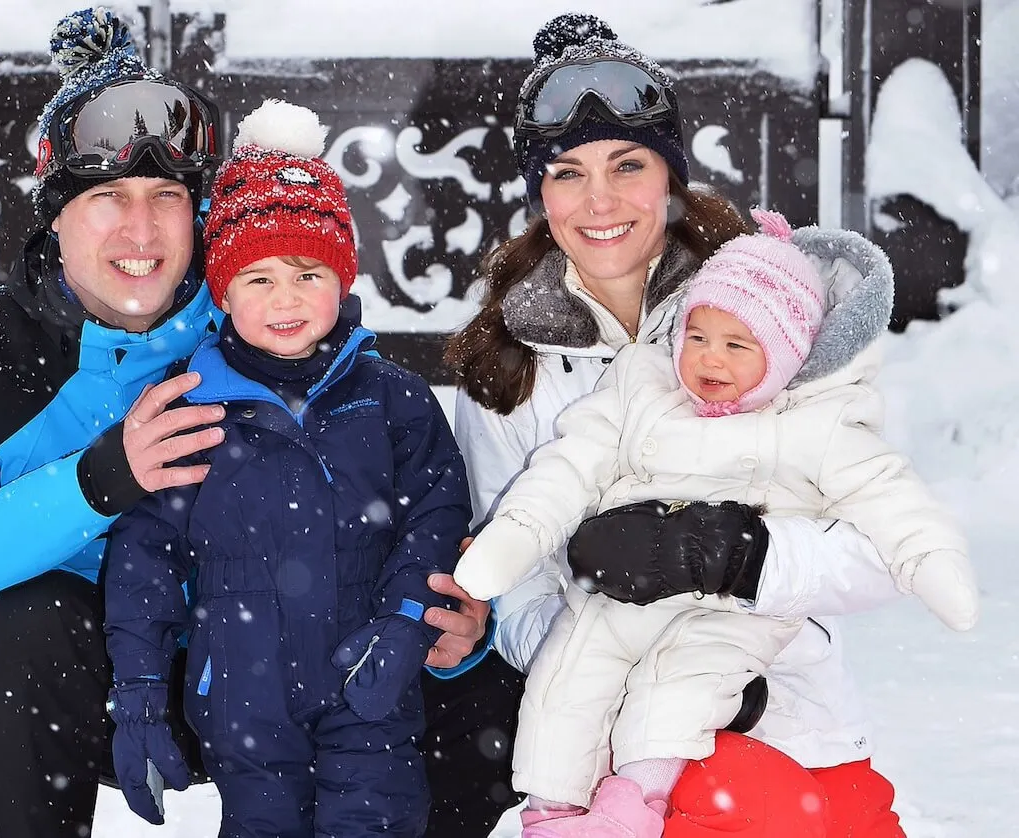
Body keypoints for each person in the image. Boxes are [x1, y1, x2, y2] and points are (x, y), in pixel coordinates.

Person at [0, 9, 492, 838]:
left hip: (305, 664)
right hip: (114, 682)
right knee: (18, 634)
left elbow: (403, 497)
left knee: (488, 683)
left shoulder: (259, 312)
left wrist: (461, 628)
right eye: (106, 197)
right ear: (55, 213)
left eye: (167, 198)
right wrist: (91, 484)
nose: (141, 230)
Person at [444, 12, 926, 837]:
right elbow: (516, 589)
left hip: (790, 710)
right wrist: (620, 643)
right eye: (567, 173)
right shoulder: (509, 368)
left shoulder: (772, 312)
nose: (599, 201)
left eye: (628, 165)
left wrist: (734, 557)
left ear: (669, 177)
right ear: (540, 195)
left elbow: (883, 548)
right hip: (618, 739)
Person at [454, 207, 978, 836]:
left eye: (736, 345)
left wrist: (739, 554)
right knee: (567, 680)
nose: (710, 359)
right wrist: (521, 542)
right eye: (698, 338)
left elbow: (888, 506)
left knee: (682, 694)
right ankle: (555, 811)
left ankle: (630, 806)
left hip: (749, 647)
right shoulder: (616, 383)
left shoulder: (811, 415)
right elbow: (562, 474)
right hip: (613, 606)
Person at [101, 98, 472, 836]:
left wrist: (403, 621)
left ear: (343, 280)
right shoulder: (190, 408)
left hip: (368, 686)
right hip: (244, 705)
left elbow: (436, 513)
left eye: (308, 273)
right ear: (224, 291)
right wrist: (141, 692)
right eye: (259, 278)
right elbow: (144, 558)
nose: (286, 299)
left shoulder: (391, 397)